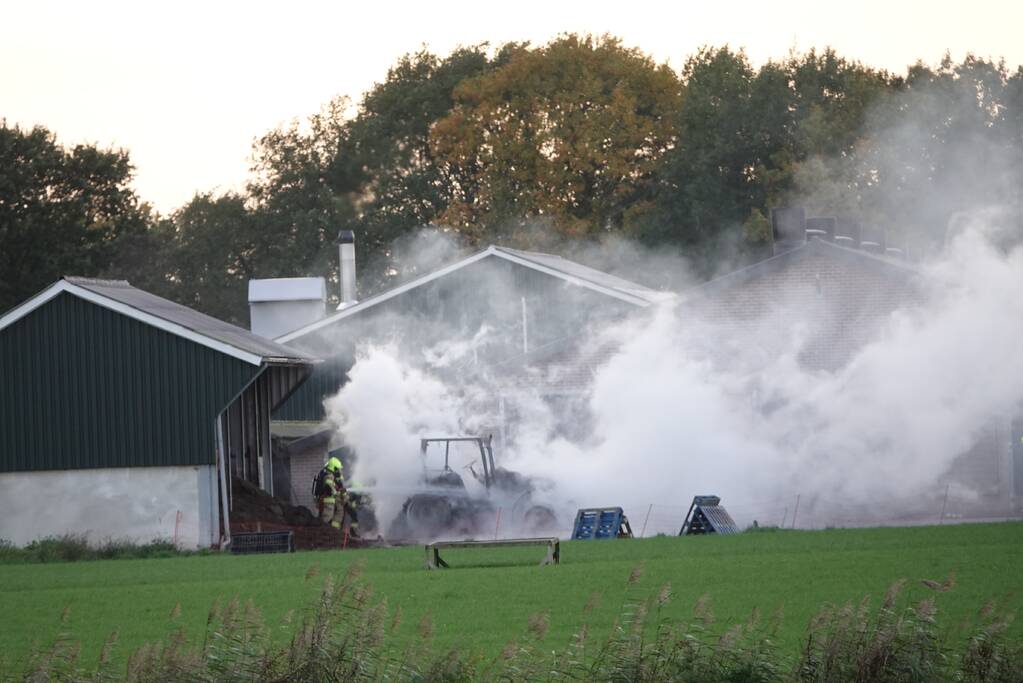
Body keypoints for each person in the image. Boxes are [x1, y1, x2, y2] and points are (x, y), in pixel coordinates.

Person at [317, 457, 359, 538]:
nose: (339, 471)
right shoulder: (329, 476)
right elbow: (329, 488)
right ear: (334, 467)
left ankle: (334, 532)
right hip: (330, 500)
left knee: (339, 515)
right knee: (327, 517)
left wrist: (344, 497)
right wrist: (339, 493)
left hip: (335, 500)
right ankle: (324, 535)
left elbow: (338, 487)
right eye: (338, 469)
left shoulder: (334, 476)